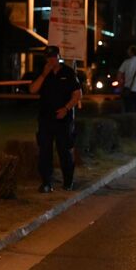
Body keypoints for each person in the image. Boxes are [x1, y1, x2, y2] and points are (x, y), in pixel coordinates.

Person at [28, 45, 82, 193]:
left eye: (53, 57)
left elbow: (77, 94)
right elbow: (32, 90)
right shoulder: (42, 73)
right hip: (46, 119)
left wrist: (66, 108)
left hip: (63, 120)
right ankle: (46, 183)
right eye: (48, 57)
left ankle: (68, 182)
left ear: (58, 56)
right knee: (45, 152)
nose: (51, 60)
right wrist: (43, 75)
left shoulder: (68, 72)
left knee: (64, 151)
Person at [117, 45, 136, 113]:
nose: (127, 52)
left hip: (128, 90)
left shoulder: (126, 62)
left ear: (131, 52)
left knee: (128, 110)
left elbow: (119, 75)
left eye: (128, 50)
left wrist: (120, 86)